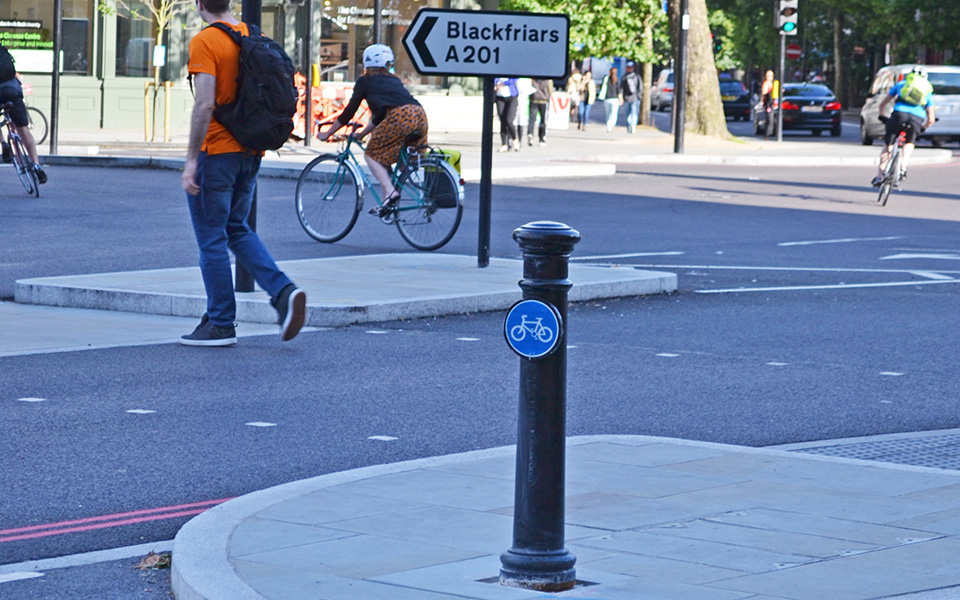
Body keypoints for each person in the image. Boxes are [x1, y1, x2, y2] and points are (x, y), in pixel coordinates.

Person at [181, 0, 306, 347]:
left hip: (217, 151)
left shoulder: (206, 41)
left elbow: (205, 103)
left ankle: (221, 322)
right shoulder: (253, 34)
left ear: (200, 4)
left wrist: (191, 159)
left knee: (211, 237)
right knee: (237, 228)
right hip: (251, 150)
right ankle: (283, 292)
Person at [318, 44, 428, 217]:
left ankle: (391, 193)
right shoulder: (394, 79)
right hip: (420, 115)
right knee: (395, 160)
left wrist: (327, 133)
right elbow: (382, 114)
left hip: (401, 117)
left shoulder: (365, 81)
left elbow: (349, 112)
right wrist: (362, 134)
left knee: (371, 154)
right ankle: (389, 204)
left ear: (366, 63)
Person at [871, 66, 936, 187]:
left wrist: (881, 116)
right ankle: (902, 167)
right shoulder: (927, 90)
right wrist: (923, 127)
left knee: (888, 144)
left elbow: (883, 103)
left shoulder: (901, 84)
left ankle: (879, 177)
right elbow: (931, 118)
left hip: (898, 115)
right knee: (909, 143)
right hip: (916, 119)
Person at [0, 42, 46, 183]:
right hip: (12, 91)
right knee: (24, 130)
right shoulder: (3, 52)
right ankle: (36, 165)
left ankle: (4, 144)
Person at [494, 77, 519, 152]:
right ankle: (504, 144)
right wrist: (496, 84)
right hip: (500, 96)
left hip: (511, 96)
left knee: (509, 120)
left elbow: (514, 79)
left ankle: (514, 139)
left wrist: (503, 84)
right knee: (502, 120)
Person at [527, 78, 553, 146]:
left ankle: (530, 133)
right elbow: (550, 91)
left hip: (533, 99)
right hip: (543, 101)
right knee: (543, 120)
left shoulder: (533, 78)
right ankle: (541, 139)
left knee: (532, 118)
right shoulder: (548, 79)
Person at [620, 61, 642, 133]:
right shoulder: (637, 77)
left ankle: (629, 126)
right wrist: (639, 96)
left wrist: (621, 97)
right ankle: (633, 126)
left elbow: (621, 88)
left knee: (628, 113)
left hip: (627, 98)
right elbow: (640, 88)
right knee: (634, 113)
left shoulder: (624, 77)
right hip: (635, 98)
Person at [599, 66, 621, 133]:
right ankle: (612, 125)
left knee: (608, 114)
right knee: (614, 114)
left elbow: (601, 87)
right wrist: (621, 99)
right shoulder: (617, 80)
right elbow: (618, 91)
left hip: (607, 99)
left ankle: (609, 127)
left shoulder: (606, 79)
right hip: (615, 99)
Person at [761, 70, 776, 140]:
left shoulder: (772, 84)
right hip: (768, 104)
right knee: (769, 120)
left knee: (771, 120)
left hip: (772, 104)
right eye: (768, 76)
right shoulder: (766, 84)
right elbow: (764, 94)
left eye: (771, 76)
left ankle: (770, 133)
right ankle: (766, 135)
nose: (770, 77)